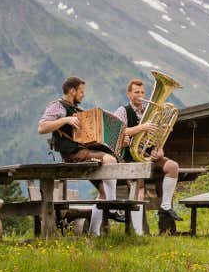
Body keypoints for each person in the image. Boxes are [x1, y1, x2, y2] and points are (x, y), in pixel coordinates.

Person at [37, 76, 141, 236]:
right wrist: (65, 119)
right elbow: (42, 127)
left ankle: (93, 233)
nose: (83, 95)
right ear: (72, 91)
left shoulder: (79, 111)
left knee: (103, 193)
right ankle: (112, 208)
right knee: (109, 159)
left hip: (84, 151)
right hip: (72, 153)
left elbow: (95, 138)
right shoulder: (57, 106)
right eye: (81, 91)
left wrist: (121, 140)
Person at [114, 78, 182, 233]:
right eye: (136, 92)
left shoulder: (149, 111)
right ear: (129, 94)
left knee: (173, 167)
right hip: (129, 157)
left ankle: (165, 207)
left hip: (148, 156)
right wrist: (141, 127)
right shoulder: (122, 111)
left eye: (143, 92)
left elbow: (158, 135)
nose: (140, 95)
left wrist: (159, 149)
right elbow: (119, 131)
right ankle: (138, 231)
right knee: (140, 187)